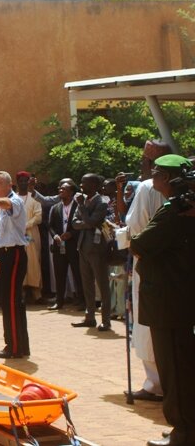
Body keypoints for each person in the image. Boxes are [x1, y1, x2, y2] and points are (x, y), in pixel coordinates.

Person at [130, 155, 195, 446]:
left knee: (175, 370)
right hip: (178, 297)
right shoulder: (184, 208)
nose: (152, 177)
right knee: (180, 366)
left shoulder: (174, 211)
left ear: (167, 179)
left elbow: (140, 245)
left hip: (167, 299)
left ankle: (183, 432)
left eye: (156, 173)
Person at [120, 140, 172, 402]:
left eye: (146, 159)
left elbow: (135, 226)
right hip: (178, 267)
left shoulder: (147, 188)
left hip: (149, 263)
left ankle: (156, 383)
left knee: (147, 321)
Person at [0, 171, 29, 359]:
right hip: (9, 254)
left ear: (9, 185)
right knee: (12, 301)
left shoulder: (13, 201)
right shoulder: (1, 204)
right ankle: (19, 345)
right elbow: (8, 235)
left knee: (11, 301)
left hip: (15, 254)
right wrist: (2, 257)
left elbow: (8, 205)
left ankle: (14, 347)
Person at [70, 173, 112, 331]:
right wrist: (85, 222)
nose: (81, 185)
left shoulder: (101, 202)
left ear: (94, 185)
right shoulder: (82, 200)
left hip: (97, 249)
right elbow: (74, 223)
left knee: (102, 284)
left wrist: (82, 210)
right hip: (83, 247)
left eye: (84, 183)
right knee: (87, 284)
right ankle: (90, 317)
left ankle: (106, 320)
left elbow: (92, 221)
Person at [48, 182, 82, 310]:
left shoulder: (78, 206)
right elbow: (50, 225)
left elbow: (81, 223)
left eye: (64, 188)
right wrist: (55, 235)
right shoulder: (55, 207)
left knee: (77, 273)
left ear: (71, 192)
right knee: (59, 274)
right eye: (60, 188)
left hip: (74, 245)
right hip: (59, 245)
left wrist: (72, 233)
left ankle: (81, 301)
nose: (60, 189)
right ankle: (59, 301)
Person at [14, 172, 43, 303]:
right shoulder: (13, 199)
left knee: (34, 262)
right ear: (17, 182)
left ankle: (36, 292)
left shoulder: (34, 199)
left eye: (26, 181)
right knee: (19, 261)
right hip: (16, 235)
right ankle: (22, 291)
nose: (23, 183)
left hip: (31, 234)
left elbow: (38, 217)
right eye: (21, 181)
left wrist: (26, 225)